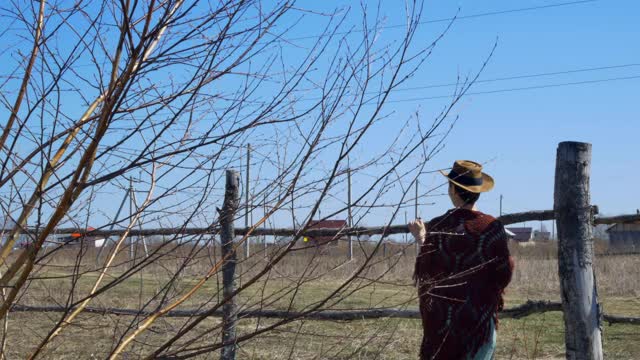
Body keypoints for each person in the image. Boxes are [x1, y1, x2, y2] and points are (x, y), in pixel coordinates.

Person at [408, 160, 514, 360]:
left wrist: (422, 238)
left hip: (441, 323)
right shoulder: (492, 228)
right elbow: (504, 273)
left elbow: (427, 269)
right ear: (478, 191)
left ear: (454, 190)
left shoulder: (438, 226)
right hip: (478, 321)